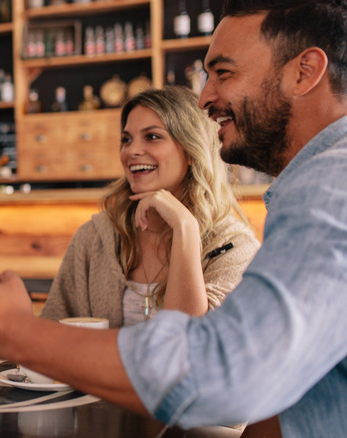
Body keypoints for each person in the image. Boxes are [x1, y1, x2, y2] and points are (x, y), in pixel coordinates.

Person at [0, 1, 347, 436]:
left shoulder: (330, 187)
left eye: (224, 72)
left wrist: (13, 332)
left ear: (305, 70)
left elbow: (218, 375)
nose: (205, 97)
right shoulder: (98, 234)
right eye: (126, 139)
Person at [42, 87, 259, 327]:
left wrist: (184, 226)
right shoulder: (94, 238)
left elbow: (189, 342)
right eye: (126, 139)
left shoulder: (235, 249)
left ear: (191, 151)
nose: (131, 151)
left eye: (152, 136)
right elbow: (49, 333)